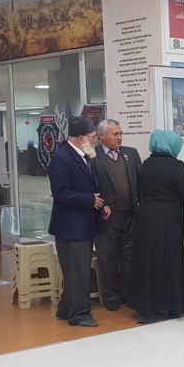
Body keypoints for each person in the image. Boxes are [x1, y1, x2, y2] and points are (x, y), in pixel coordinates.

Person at [126, 130, 184, 324]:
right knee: (170, 259)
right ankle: (170, 304)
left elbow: (139, 192)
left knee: (148, 260)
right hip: (168, 219)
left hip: (146, 217)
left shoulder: (145, 165)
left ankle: (147, 307)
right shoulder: (175, 166)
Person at [48, 116, 106, 328]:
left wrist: (101, 204)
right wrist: (90, 200)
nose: (95, 140)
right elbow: (61, 192)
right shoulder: (62, 159)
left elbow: (90, 186)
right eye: (92, 137)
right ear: (81, 138)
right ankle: (80, 314)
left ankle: (66, 309)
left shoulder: (85, 157)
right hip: (70, 226)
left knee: (76, 271)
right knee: (77, 272)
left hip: (84, 223)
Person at [90, 119, 141, 311]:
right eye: (115, 134)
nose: (119, 137)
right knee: (108, 258)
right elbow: (90, 185)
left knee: (129, 256)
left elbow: (140, 182)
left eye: (121, 133)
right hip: (106, 217)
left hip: (130, 214)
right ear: (101, 136)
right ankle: (112, 297)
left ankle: (129, 294)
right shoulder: (92, 157)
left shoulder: (131, 154)